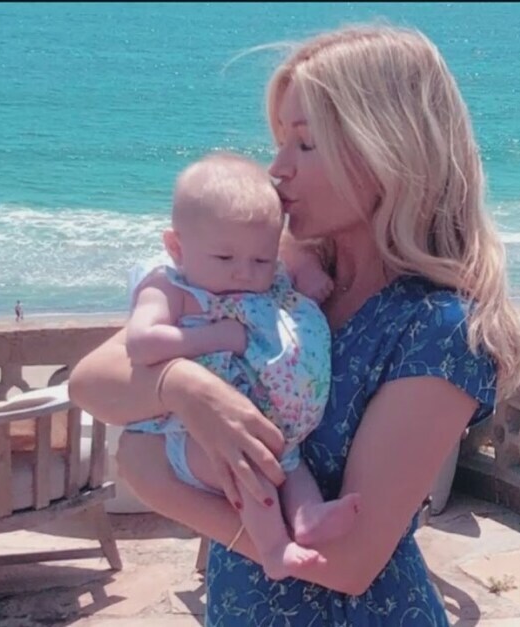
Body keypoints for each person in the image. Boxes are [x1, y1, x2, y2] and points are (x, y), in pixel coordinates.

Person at [70, 23, 520, 625]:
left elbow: (350, 561)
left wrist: (158, 484)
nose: (277, 169)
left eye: (306, 145)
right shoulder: (273, 274)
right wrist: (182, 387)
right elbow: (91, 381)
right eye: (281, 140)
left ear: (388, 151)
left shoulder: (439, 329)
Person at [123, 152, 359, 580]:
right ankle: (274, 549)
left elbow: (290, 266)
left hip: (261, 427)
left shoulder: (259, 281)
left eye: (261, 261)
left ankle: (307, 516)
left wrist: (305, 274)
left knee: (288, 460)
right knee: (248, 467)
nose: (244, 274)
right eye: (224, 259)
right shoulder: (171, 287)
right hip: (188, 437)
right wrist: (214, 337)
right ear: (177, 248)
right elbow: (141, 342)